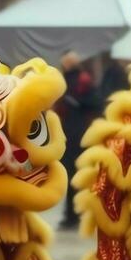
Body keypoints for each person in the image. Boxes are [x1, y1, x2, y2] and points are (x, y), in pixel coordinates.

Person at [56, 50, 98, 229]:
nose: (67, 63)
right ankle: (72, 213)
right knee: (70, 175)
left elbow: (95, 102)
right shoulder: (62, 80)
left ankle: (77, 213)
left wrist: (77, 102)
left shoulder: (83, 80)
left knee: (77, 174)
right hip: (68, 132)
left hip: (78, 132)